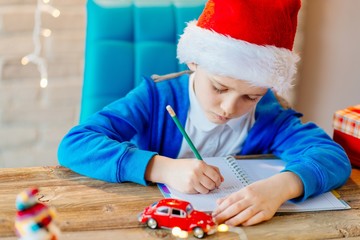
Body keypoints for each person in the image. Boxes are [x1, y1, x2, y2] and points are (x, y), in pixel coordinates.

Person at [58, 0, 351, 226]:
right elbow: (75, 144)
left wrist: (282, 187)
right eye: (220, 88)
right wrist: (162, 168)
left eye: (249, 96)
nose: (229, 108)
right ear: (195, 62)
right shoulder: (154, 97)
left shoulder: (269, 115)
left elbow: (332, 156)